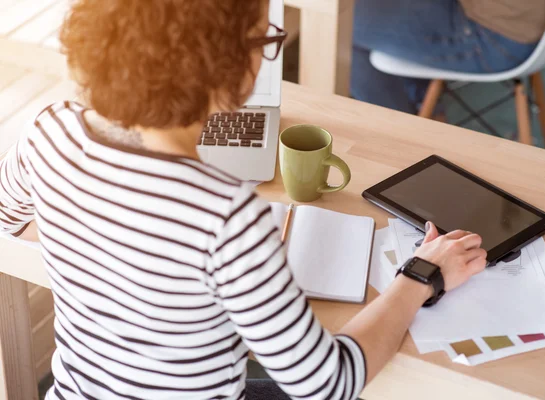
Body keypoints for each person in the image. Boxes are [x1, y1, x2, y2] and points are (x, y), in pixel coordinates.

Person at [0, 0, 487, 399]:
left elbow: (7, 221)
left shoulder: (48, 131)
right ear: (226, 66)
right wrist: (421, 275)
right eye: (265, 41)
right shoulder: (224, 213)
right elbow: (327, 384)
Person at [351, 0, 545, 114]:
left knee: (341, 24)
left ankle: (401, 135)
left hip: (494, 35)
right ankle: (422, 109)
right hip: (520, 17)